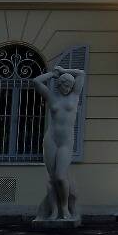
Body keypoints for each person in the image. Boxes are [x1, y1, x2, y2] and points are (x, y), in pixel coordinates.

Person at [30, 65, 87, 221]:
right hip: (51, 139)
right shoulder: (52, 97)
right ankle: (54, 211)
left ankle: (65, 209)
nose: (67, 88)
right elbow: (35, 81)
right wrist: (52, 74)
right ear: (59, 85)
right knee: (51, 178)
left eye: (69, 85)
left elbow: (82, 72)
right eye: (64, 85)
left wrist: (63, 71)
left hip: (66, 141)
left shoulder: (75, 96)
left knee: (61, 177)